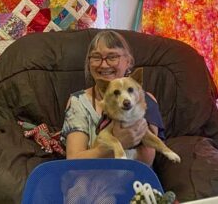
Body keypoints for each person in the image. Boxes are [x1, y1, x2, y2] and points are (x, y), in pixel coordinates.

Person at [61, 30, 165, 165]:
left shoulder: (146, 100)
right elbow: (73, 161)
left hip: (135, 182)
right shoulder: (79, 102)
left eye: (112, 57)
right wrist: (117, 144)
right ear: (88, 63)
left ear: (128, 61)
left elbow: (146, 160)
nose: (103, 65)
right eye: (96, 57)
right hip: (90, 180)